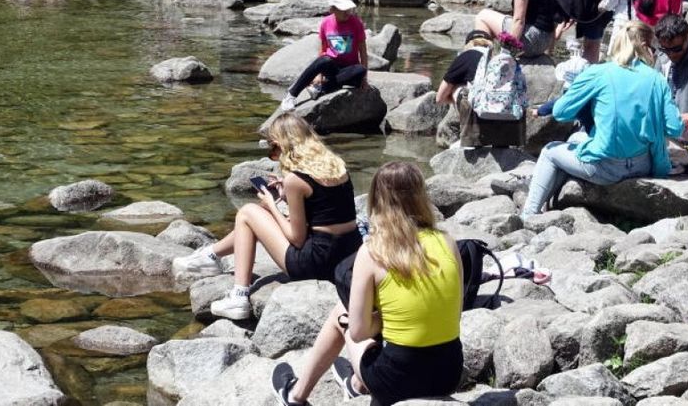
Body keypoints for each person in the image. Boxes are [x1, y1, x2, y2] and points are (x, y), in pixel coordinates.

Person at [272, 161, 462, 406]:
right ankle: (356, 385)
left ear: (377, 200)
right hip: (448, 374)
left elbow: (359, 332)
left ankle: (295, 396)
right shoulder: (448, 242)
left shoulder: (373, 252)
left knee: (341, 314)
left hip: (396, 380)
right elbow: (454, 314)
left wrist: (384, 319)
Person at [174, 113, 360, 320]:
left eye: (273, 148)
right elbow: (326, 214)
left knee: (247, 213)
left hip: (315, 262)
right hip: (348, 255)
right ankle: (210, 255)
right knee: (256, 217)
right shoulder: (338, 167)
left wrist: (272, 205)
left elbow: (296, 238)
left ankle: (238, 295)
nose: (274, 154)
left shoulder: (295, 180)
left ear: (284, 145)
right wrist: (287, 196)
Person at [521, 21, 682, 218]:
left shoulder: (599, 72)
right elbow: (675, 128)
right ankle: (551, 205)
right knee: (575, 140)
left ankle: (529, 214)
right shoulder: (657, 79)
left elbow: (561, 112)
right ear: (646, 48)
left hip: (606, 168)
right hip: (643, 163)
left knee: (550, 151)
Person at [279, 0, 368, 111]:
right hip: (332, 67)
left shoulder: (356, 23)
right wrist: (319, 75)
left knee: (361, 70)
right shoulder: (326, 23)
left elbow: (363, 50)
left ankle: (321, 88)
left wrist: (365, 79)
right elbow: (323, 49)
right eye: (343, 10)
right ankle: (291, 94)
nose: (347, 13)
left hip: (349, 70)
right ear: (333, 10)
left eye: (348, 9)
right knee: (324, 60)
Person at [437, 30, 525, 150]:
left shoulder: (466, 55)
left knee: (458, 88)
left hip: (480, 115)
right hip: (510, 119)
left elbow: (439, 98)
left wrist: (453, 100)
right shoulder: (504, 58)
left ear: (468, 44)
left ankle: (471, 138)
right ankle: (501, 141)